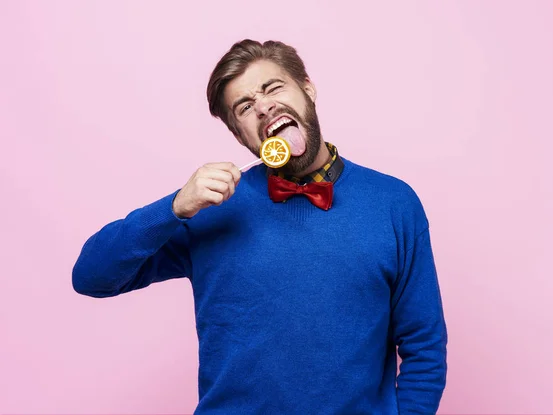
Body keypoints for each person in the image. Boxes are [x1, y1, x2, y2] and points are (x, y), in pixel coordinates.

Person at [72, 39, 448, 414]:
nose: (264, 106)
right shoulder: (210, 209)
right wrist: (174, 208)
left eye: (273, 88)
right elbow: (92, 276)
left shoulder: (393, 203)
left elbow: (424, 346)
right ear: (240, 135)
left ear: (307, 89)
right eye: (246, 106)